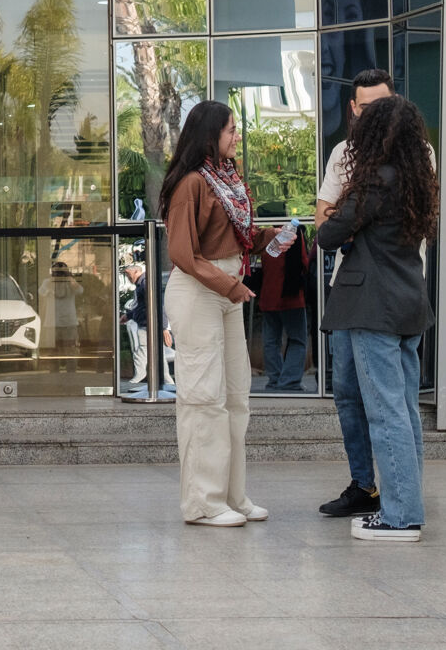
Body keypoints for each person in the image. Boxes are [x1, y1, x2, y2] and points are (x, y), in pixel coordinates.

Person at [314, 68, 433, 518]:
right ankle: (403, 500)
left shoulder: (375, 178)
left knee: (386, 413)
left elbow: (327, 231)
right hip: (405, 299)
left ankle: (401, 513)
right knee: (401, 408)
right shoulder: (412, 174)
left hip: (373, 305)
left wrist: (345, 222)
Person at [159, 101, 274, 528]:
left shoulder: (228, 179)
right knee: (204, 399)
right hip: (199, 292)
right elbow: (184, 255)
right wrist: (229, 285)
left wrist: (269, 239)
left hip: (226, 292)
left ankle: (232, 496)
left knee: (235, 398)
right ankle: (204, 503)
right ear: (210, 135)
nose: (236, 136)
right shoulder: (191, 184)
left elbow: (234, 239)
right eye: (230, 130)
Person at [255, 219, 310, 392]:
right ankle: (290, 382)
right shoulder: (293, 235)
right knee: (297, 340)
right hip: (291, 297)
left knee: (271, 341)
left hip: (268, 295)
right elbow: (304, 263)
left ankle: (274, 380)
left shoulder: (265, 236)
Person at [39, 259, 84, 372]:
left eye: (61, 272)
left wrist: (69, 279)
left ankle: (71, 373)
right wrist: (52, 280)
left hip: (69, 321)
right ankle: (54, 373)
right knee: (53, 351)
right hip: (52, 322)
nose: (59, 274)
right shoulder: (47, 282)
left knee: (70, 350)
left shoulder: (70, 282)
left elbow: (80, 291)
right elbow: (41, 292)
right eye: (57, 272)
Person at [121, 259, 148, 387]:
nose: (127, 277)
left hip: (146, 324)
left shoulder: (144, 283)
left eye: (128, 274)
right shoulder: (141, 284)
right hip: (145, 323)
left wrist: (164, 327)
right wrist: (129, 315)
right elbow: (141, 305)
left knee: (141, 349)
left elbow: (155, 304)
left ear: (137, 271)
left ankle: (140, 374)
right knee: (159, 356)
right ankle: (168, 382)